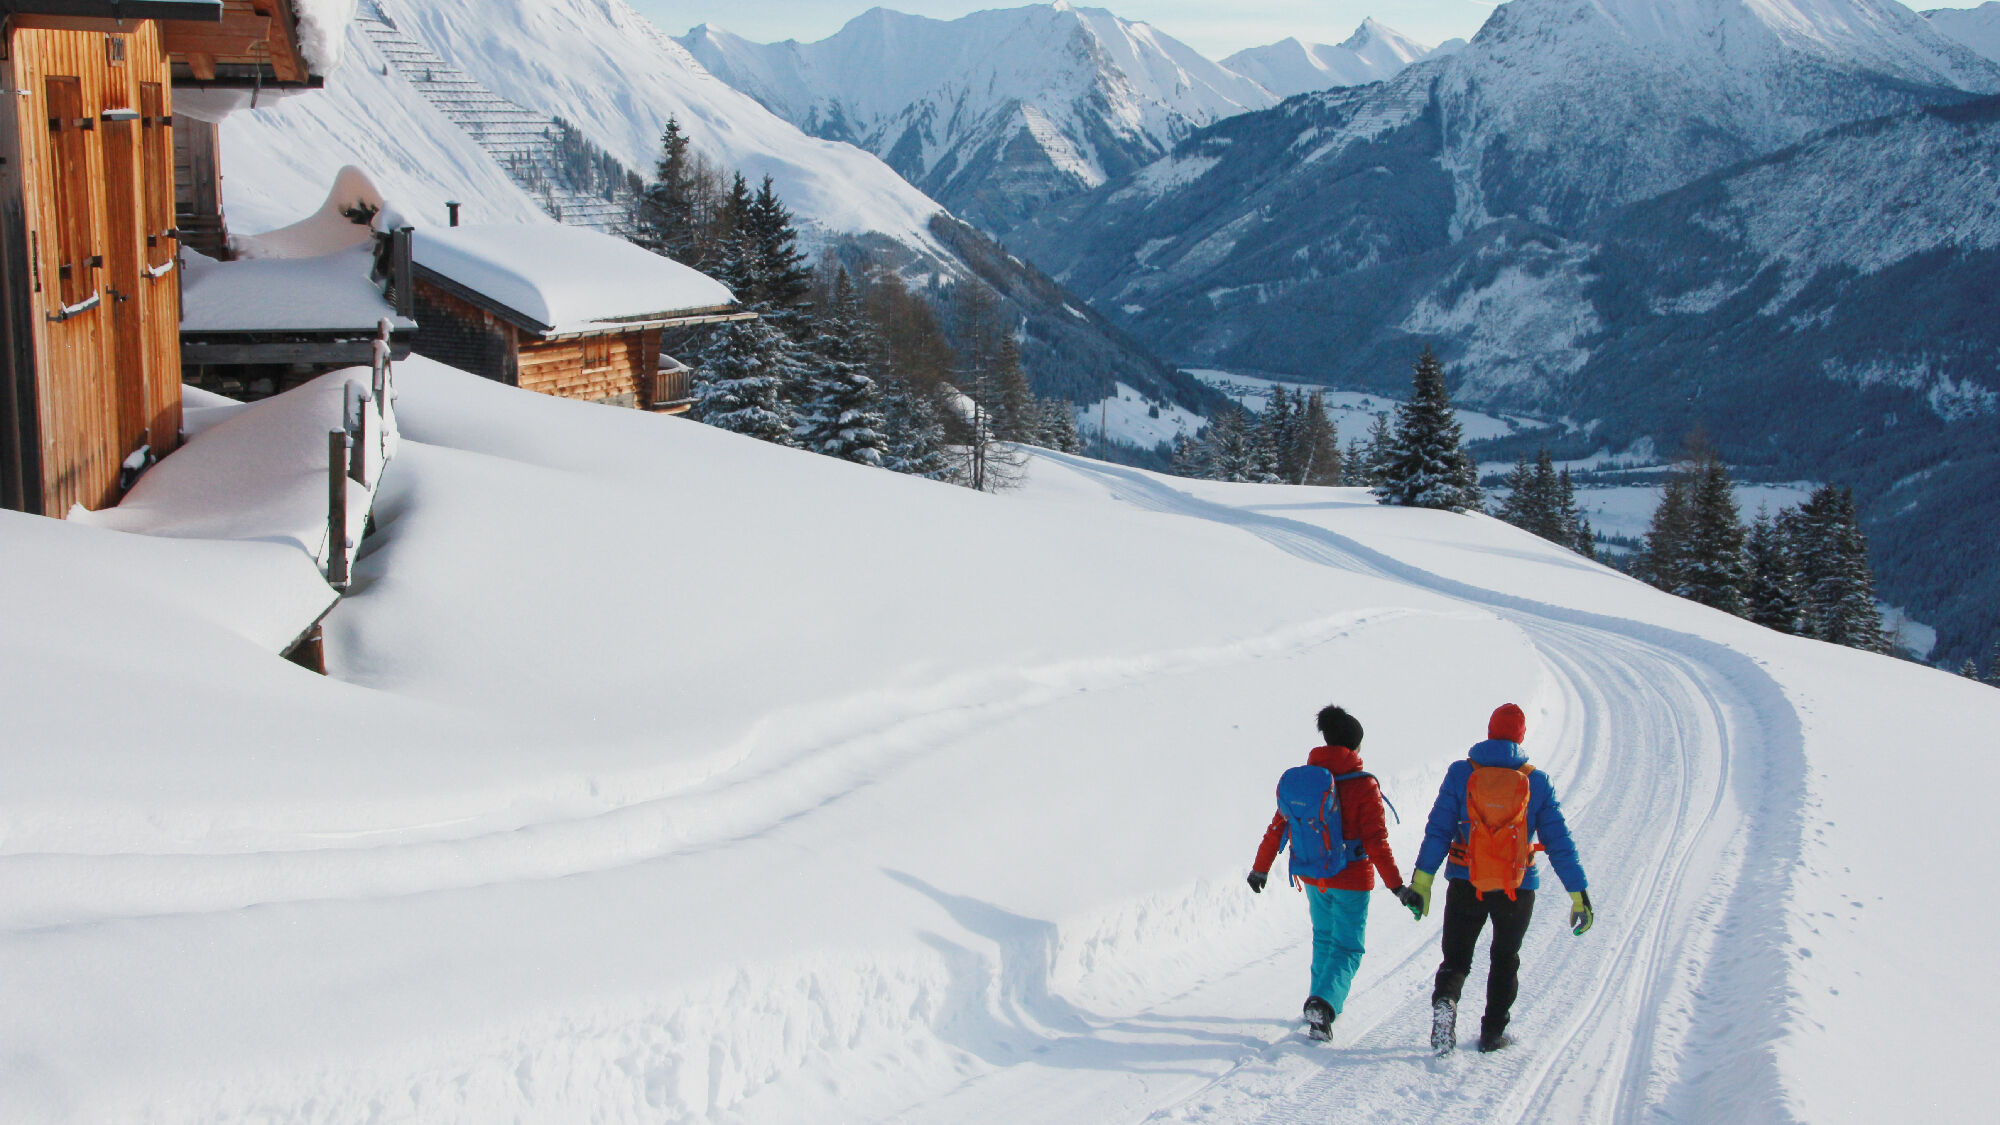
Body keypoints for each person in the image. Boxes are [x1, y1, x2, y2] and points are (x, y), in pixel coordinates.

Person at [1406, 703, 1592, 1054]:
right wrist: (1578, 894)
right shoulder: (1536, 781)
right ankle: (1493, 1032)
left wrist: (1422, 882)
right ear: (1521, 737)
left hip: (1466, 881)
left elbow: (1438, 831)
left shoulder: (1461, 773)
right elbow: (1559, 842)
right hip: (1516, 888)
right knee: (1506, 958)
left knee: (1456, 959)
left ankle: (1446, 1001)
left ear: (1489, 731)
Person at [1247, 705, 1425, 1040]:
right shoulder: (1364, 785)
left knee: (1324, 939)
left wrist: (1260, 869)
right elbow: (1376, 843)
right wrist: (1398, 886)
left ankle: (1319, 1002)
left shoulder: (1305, 782)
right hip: (1353, 878)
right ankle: (1324, 1004)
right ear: (1354, 747)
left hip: (1314, 876)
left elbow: (1277, 827)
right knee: (1348, 947)